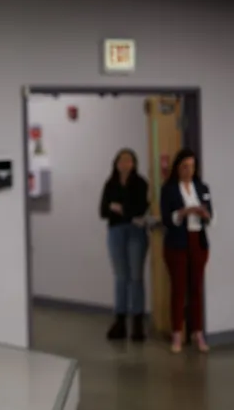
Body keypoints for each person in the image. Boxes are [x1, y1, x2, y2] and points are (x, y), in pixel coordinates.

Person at [160, 148, 213, 353]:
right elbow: (167, 219)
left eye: (192, 166)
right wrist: (182, 213)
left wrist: (205, 214)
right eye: (184, 166)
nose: (188, 170)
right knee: (179, 289)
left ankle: (198, 332)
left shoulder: (202, 187)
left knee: (197, 288)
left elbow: (211, 214)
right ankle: (177, 333)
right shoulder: (169, 189)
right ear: (177, 167)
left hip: (198, 241)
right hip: (177, 243)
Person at [99, 148, 150, 342]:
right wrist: (120, 209)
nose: (125, 164)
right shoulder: (110, 184)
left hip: (136, 232)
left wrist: (119, 207)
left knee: (136, 277)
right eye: (121, 160)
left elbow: (140, 207)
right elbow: (102, 210)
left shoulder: (140, 183)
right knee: (121, 276)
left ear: (134, 163)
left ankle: (137, 323)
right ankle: (120, 321)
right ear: (116, 163)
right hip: (116, 232)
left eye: (129, 160)